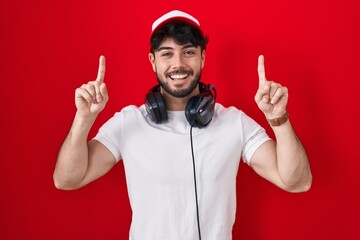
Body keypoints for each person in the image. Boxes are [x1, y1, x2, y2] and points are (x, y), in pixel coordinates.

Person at [54, 10, 312, 240]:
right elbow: (66, 180)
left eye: (188, 52)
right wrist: (84, 119)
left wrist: (278, 118)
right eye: (167, 54)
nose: (178, 64)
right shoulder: (127, 123)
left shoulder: (234, 122)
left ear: (202, 58)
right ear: (153, 62)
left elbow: (297, 182)